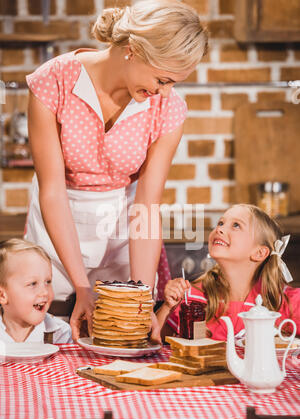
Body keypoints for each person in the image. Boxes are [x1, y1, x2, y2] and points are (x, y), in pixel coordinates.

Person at [24, 0, 209, 341]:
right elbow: (52, 189)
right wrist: (81, 286)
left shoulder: (167, 107)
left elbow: (147, 205)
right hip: (57, 231)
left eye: (172, 83)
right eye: (162, 79)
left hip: (122, 235)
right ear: (133, 50)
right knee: (50, 336)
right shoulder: (54, 81)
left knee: (118, 338)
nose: (164, 91)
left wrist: (142, 299)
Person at [156, 204, 300, 342]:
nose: (220, 229)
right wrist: (168, 306)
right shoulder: (194, 297)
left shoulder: (285, 301)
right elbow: (159, 340)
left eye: (236, 225)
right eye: (220, 223)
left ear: (259, 252)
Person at [0, 239, 72, 344]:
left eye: (48, 282)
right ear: (2, 295)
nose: (44, 292)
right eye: (33, 284)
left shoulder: (60, 333)